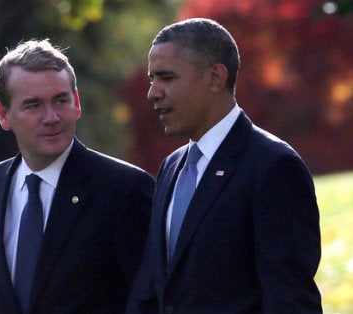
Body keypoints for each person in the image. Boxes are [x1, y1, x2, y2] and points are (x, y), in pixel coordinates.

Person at [126, 18, 322, 313]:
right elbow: (153, 287)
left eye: (166, 78)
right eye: (153, 79)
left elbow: (290, 299)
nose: (153, 92)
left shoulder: (274, 166)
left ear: (215, 78)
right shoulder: (171, 168)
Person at [0, 39, 155, 313]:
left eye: (60, 101)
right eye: (33, 105)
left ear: (76, 103)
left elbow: (148, 300)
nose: (51, 117)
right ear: (4, 115)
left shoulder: (124, 189)